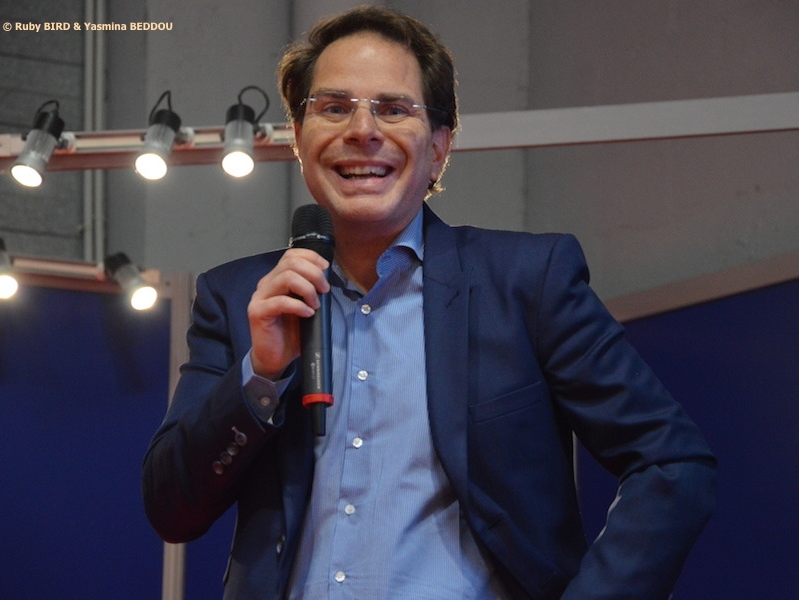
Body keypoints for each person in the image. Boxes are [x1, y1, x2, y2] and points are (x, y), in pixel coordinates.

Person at [142, 6, 716, 599]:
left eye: (393, 109)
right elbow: (172, 510)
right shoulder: (239, 297)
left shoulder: (525, 282)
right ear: (298, 136)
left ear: (440, 147)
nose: (362, 130)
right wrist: (261, 376)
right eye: (333, 107)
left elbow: (671, 461)